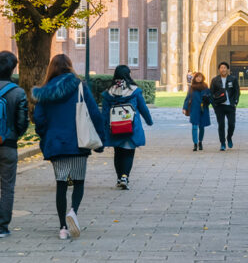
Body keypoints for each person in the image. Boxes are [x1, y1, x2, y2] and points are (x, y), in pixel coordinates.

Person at [33, 54, 104, 240]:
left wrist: (45, 135)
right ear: (70, 67)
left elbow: (39, 119)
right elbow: (95, 114)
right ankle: (73, 211)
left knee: (61, 184)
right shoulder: (80, 86)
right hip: (78, 142)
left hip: (56, 144)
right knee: (79, 181)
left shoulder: (44, 92)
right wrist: (101, 139)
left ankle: (63, 228)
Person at [102, 65, 153, 190]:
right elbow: (143, 108)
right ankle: (125, 176)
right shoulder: (134, 91)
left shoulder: (109, 92)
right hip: (130, 127)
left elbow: (104, 113)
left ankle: (119, 177)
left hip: (115, 128)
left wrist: (103, 128)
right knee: (129, 152)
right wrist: (149, 121)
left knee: (118, 152)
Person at [0, 51, 28, 239]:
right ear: (13, 69)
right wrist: (13, 136)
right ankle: (2, 227)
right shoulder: (18, 92)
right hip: (8, 145)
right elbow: (22, 122)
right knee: (7, 186)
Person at [210, 62, 240, 151]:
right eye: (221, 68)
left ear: (227, 69)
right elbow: (211, 93)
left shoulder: (233, 79)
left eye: (224, 67)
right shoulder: (215, 80)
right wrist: (214, 105)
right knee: (221, 125)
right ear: (219, 69)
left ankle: (229, 137)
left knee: (231, 124)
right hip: (219, 106)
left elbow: (237, 91)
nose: (223, 69)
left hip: (230, 106)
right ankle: (222, 143)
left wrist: (235, 102)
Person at [182, 72, 212, 151]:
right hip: (194, 109)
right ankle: (195, 143)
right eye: (197, 77)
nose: (199, 78)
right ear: (194, 78)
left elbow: (210, 98)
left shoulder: (205, 87)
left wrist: (209, 100)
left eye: (200, 77)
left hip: (203, 109)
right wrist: (184, 108)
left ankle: (200, 142)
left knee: (201, 127)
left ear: (203, 78)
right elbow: (188, 98)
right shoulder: (192, 87)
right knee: (194, 126)